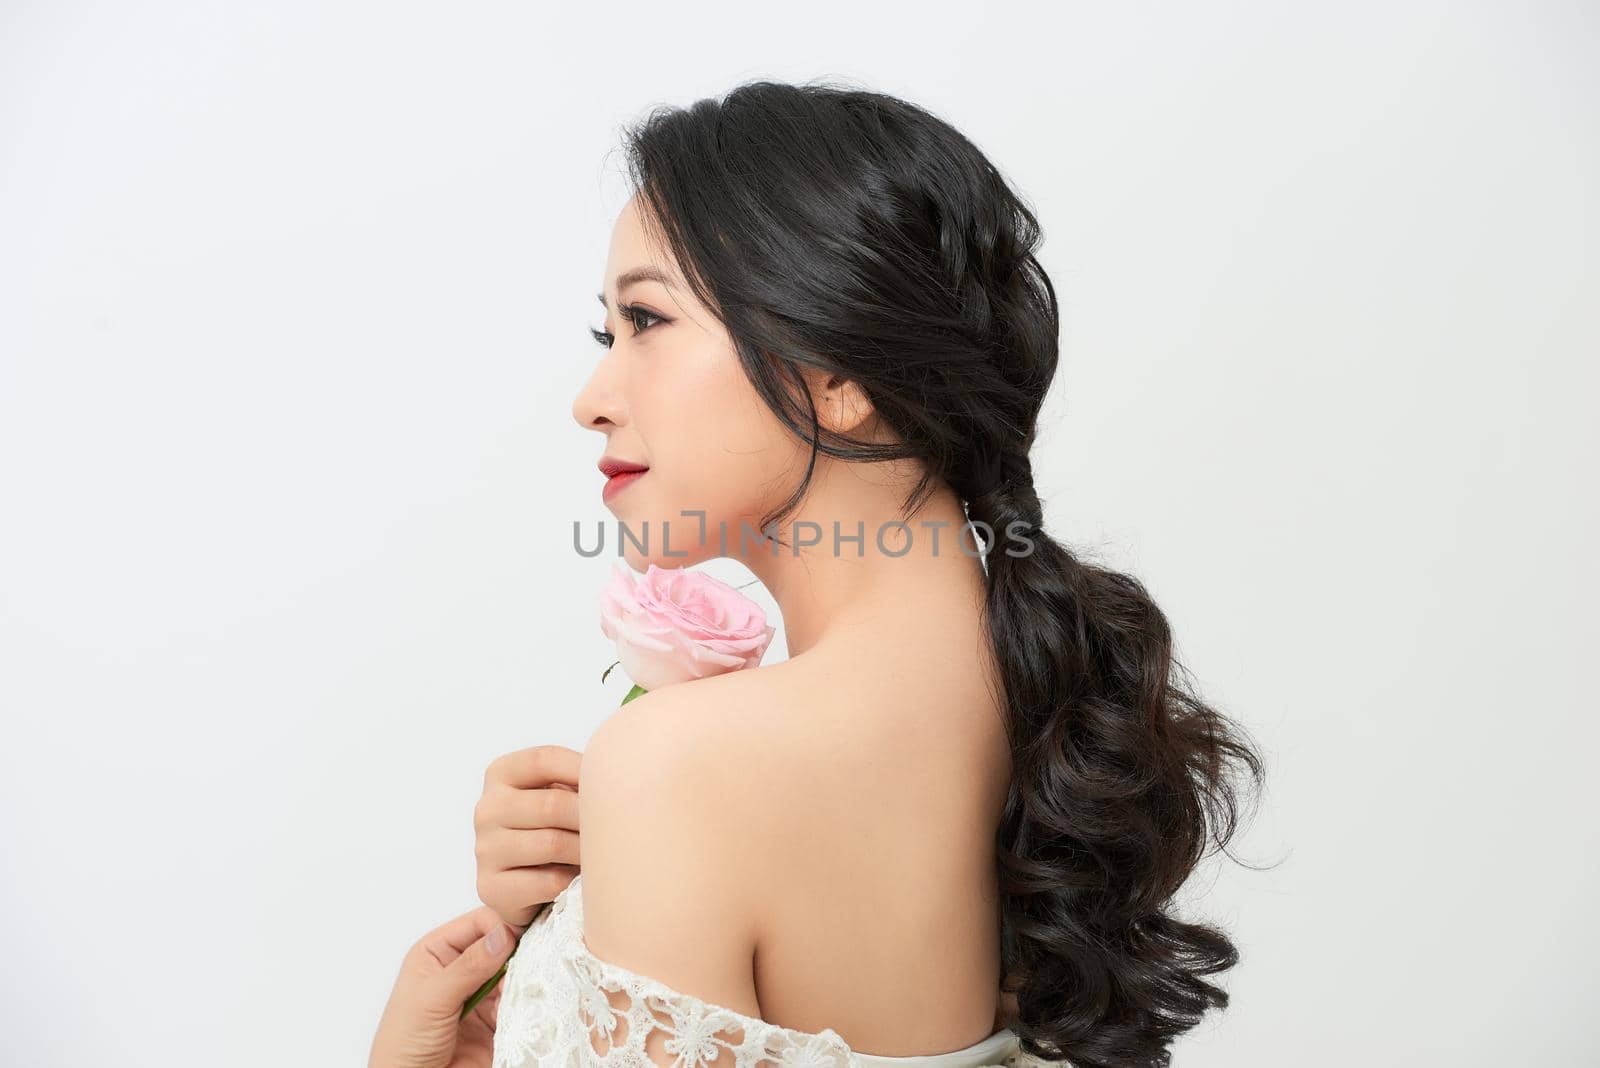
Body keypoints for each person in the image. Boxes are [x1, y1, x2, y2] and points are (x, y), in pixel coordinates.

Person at [389, 78, 1266, 1068]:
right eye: (608, 334)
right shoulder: (1044, 715)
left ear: (840, 374)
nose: (592, 400)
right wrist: (563, 916)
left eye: (646, 321)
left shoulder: (685, 768)